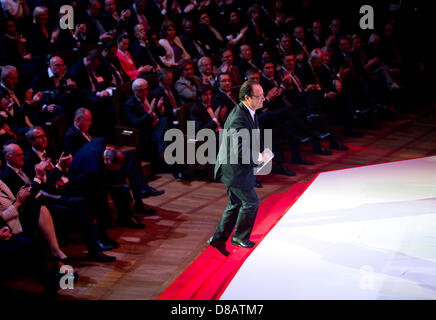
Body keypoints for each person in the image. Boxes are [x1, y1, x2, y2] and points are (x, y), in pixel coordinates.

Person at [208, 80, 271, 256]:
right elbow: (240, 150)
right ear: (246, 97)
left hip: (239, 166)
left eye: (262, 95)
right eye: (259, 97)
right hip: (233, 169)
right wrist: (260, 157)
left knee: (235, 203)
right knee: (251, 202)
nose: (263, 99)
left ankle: (218, 239)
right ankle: (238, 237)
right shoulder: (238, 118)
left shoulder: (250, 112)